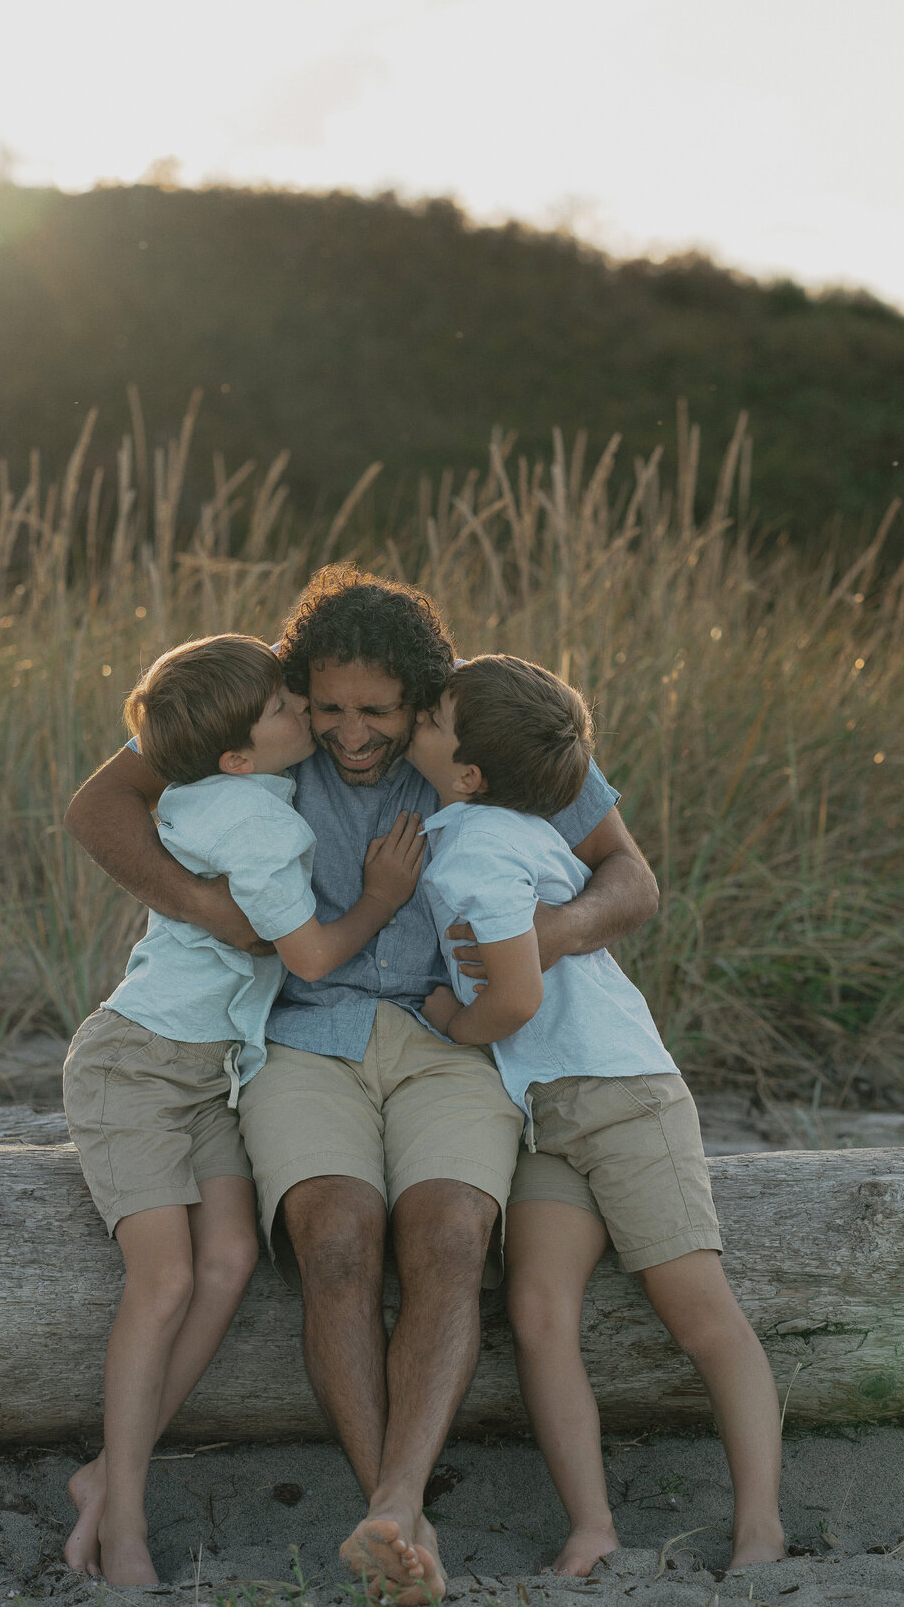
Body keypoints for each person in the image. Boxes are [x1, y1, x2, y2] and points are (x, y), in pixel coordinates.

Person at [63, 566, 660, 1602]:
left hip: (451, 1033)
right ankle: (394, 1510)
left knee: (448, 1236)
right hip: (306, 1034)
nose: (347, 732)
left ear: (426, 700)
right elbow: (101, 802)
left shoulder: (482, 722)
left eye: (376, 713)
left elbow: (631, 878)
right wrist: (207, 907)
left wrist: (545, 935)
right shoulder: (263, 711)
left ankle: (397, 1500)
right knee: (335, 1236)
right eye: (328, 707)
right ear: (299, 692)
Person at [408, 654, 786, 1576]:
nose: (418, 718)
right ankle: (592, 1526)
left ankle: (762, 1528)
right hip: (544, 1108)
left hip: (619, 1095)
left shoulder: (479, 845)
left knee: (702, 1314)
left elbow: (516, 1000)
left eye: (434, 717)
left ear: (469, 771)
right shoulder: (503, 821)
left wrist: (453, 1019)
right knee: (538, 1311)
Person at [61, 633, 424, 1586]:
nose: (305, 713)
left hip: (217, 1069)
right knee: (168, 1281)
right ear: (236, 752)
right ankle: (124, 1518)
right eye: (285, 707)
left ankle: (108, 1468)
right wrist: (383, 896)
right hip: (138, 1066)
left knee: (227, 1263)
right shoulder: (256, 822)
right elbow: (308, 957)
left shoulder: (233, 781)